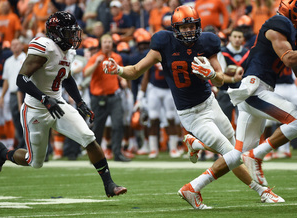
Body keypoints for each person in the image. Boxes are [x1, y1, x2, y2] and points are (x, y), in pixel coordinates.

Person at [103, 5, 283, 209]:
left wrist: (212, 74)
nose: (189, 31)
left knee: (236, 152)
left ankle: (195, 144)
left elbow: (220, 80)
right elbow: (135, 70)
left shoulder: (207, 41)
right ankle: (261, 191)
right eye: (184, 27)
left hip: (210, 103)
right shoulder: (164, 43)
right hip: (191, 113)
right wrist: (118, 69)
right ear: (175, 28)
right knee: (229, 152)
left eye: (192, 26)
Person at [160, 0, 297, 208]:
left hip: (258, 90)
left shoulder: (293, 32)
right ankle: (256, 155)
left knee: (235, 156)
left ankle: (193, 186)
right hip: (254, 90)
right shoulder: (278, 24)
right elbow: (290, 59)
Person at [0, 11, 127, 198]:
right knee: (34, 161)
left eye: (74, 32)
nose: (74, 36)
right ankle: (2, 153)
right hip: (35, 108)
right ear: (56, 33)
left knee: (88, 137)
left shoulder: (67, 51)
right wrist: (44, 99)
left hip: (58, 104)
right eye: (69, 32)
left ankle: (109, 184)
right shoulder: (44, 47)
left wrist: (80, 102)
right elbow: (21, 80)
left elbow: (68, 78)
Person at [84, 34, 131, 162]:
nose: (107, 44)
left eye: (109, 42)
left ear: (112, 44)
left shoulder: (117, 57)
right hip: (98, 98)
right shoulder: (95, 58)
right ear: (101, 44)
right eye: (105, 42)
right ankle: (96, 156)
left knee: (118, 124)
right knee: (98, 127)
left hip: (114, 96)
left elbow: (120, 71)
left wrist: (122, 80)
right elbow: (85, 73)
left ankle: (117, 153)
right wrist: (96, 64)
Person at [0, 39, 26, 149]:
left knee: (25, 119)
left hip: (25, 93)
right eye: (12, 44)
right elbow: (6, 80)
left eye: (17, 44)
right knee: (15, 120)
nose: (14, 46)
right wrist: (2, 96)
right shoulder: (8, 61)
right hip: (12, 94)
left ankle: (26, 144)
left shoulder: (25, 59)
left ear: (21, 46)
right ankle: (21, 143)